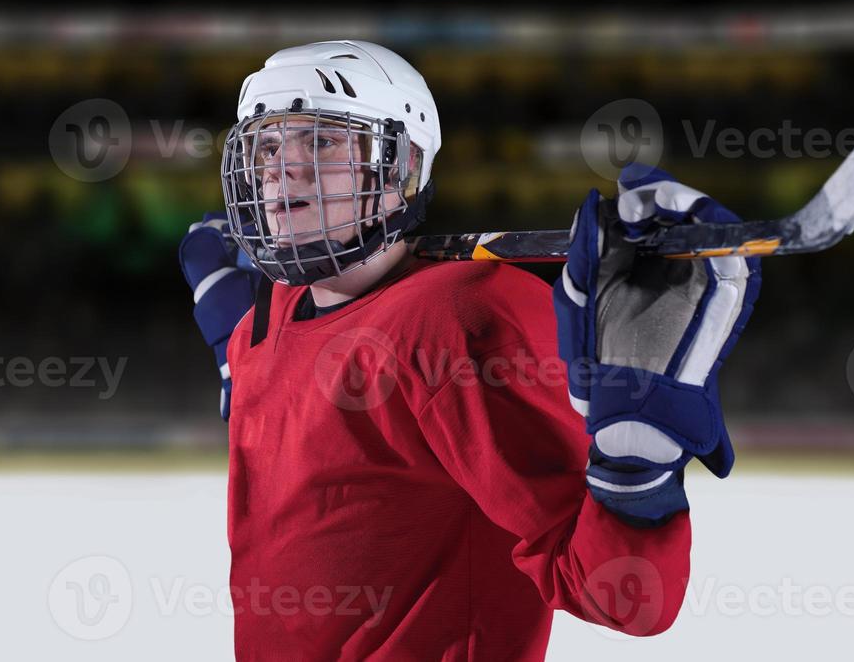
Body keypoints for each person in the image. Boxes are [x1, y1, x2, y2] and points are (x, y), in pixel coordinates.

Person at [178, 39, 761, 660]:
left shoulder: (459, 319)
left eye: (321, 141)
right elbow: (308, 406)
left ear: (401, 168)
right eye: (267, 145)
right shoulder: (272, 315)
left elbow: (626, 597)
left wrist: (636, 463)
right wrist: (231, 341)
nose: (281, 168)